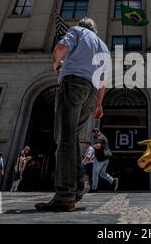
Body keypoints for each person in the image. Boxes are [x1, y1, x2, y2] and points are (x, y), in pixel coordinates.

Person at [35, 17, 108, 212]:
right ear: (95, 29)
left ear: (82, 25)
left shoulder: (77, 31)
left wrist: (55, 65)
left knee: (65, 138)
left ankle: (65, 195)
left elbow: (61, 48)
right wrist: (99, 103)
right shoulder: (103, 46)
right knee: (72, 136)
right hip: (91, 93)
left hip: (73, 84)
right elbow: (103, 81)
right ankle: (77, 185)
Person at [90, 129, 119, 193]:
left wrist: (92, 145)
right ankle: (112, 180)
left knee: (95, 172)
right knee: (101, 173)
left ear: (96, 132)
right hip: (106, 159)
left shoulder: (99, 138)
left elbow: (98, 146)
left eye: (93, 134)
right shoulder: (104, 137)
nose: (93, 135)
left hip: (100, 159)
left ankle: (94, 188)